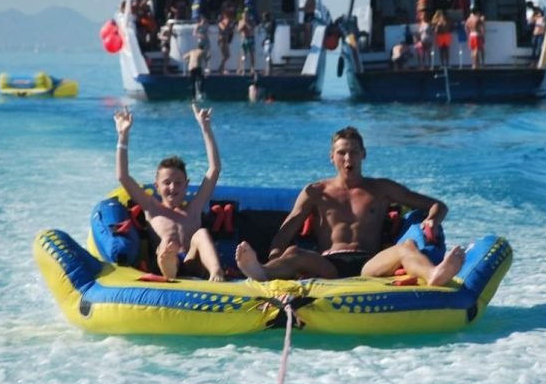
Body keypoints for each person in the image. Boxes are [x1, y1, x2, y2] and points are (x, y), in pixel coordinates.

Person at [234, 127, 465, 283]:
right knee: (294, 252)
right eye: (341, 153)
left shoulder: (382, 189)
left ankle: (434, 274)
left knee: (407, 247)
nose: (348, 159)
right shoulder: (315, 192)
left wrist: (433, 219)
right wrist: (275, 259)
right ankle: (261, 272)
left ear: (363, 154)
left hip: (369, 263)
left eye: (353, 152)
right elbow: (285, 234)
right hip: (328, 264)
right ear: (331, 157)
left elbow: (438, 205)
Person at [114, 104, 224, 281]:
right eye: (167, 183)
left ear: (186, 185)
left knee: (201, 234)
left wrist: (206, 128)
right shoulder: (152, 208)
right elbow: (123, 176)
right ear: (156, 186)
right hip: (164, 264)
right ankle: (170, 272)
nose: (173, 188)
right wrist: (123, 135)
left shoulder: (193, 208)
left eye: (178, 183)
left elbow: (215, 168)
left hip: (192, 262)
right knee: (166, 246)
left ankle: (217, 273)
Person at [237, 8, 256, 74]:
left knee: (251, 54)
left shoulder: (251, 21)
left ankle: (252, 68)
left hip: (250, 38)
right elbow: (238, 30)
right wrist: (243, 25)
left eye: (247, 15)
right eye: (244, 15)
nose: (245, 16)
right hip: (244, 39)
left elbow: (251, 29)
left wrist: (247, 24)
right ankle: (241, 68)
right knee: (242, 54)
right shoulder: (241, 21)